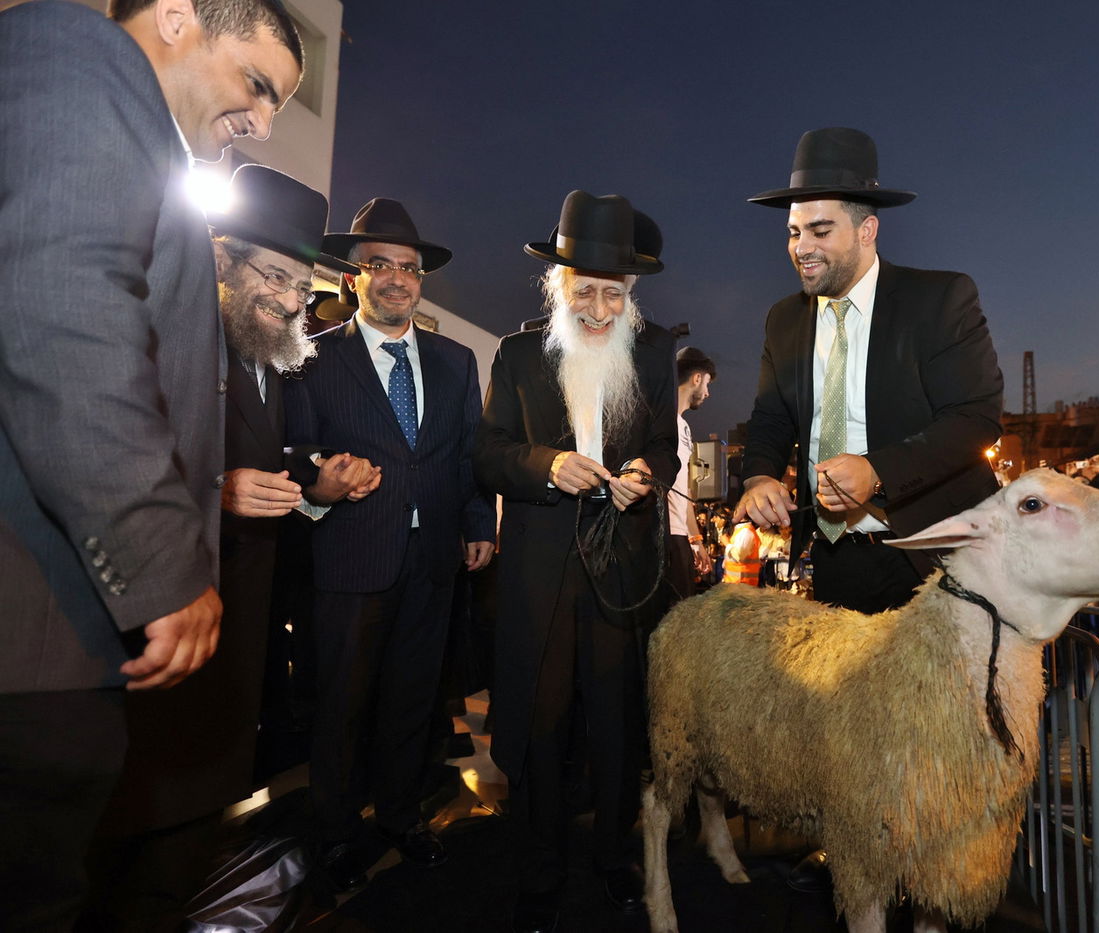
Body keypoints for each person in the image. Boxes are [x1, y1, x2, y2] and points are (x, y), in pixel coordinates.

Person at [0, 2, 302, 928]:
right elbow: (64, 317)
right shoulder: (75, 54)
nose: (258, 124)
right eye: (256, 84)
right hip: (35, 630)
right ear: (176, 14)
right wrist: (165, 563)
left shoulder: (141, 137)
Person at [80, 166, 383, 929]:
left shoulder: (269, 356)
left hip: (234, 638)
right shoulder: (159, 330)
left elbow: (266, 465)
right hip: (161, 626)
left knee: (184, 839)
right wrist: (216, 487)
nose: (291, 298)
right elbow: (106, 454)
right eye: (274, 275)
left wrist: (314, 490)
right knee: (120, 845)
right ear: (221, 259)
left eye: (299, 281)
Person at [734, 126, 1002, 892]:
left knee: (944, 728)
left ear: (867, 228)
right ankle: (859, 855)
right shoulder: (784, 321)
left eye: (819, 229)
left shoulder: (941, 297)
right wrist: (757, 476)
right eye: (791, 232)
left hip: (936, 555)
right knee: (854, 724)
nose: (800, 247)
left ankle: (947, 871)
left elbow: (976, 418)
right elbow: (771, 420)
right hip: (841, 558)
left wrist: (878, 468)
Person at [473, 190, 678, 933]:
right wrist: (547, 464)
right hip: (540, 578)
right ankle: (539, 868)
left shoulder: (654, 357)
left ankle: (612, 859)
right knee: (540, 726)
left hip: (622, 572)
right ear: (557, 286)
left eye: (613, 294)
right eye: (584, 291)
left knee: (619, 726)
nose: (598, 309)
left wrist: (650, 475)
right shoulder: (519, 354)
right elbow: (488, 453)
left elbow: (666, 448)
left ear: (632, 294)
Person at [284, 198, 497, 890]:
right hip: (350, 557)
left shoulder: (456, 360)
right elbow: (294, 452)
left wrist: (477, 525)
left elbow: (469, 456)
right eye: (380, 264)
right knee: (342, 705)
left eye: (409, 267)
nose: (397, 278)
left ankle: (401, 817)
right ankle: (337, 834)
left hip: (434, 560)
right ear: (354, 277)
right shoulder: (312, 359)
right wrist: (319, 486)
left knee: (413, 702)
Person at [666, 347, 717, 603]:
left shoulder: (683, 426)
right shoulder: (661, 421)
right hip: (663, 539)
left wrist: (694, 539)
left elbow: (682, 489)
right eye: (707, 384)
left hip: (678, 537)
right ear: (697, 378)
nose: (707, 393)